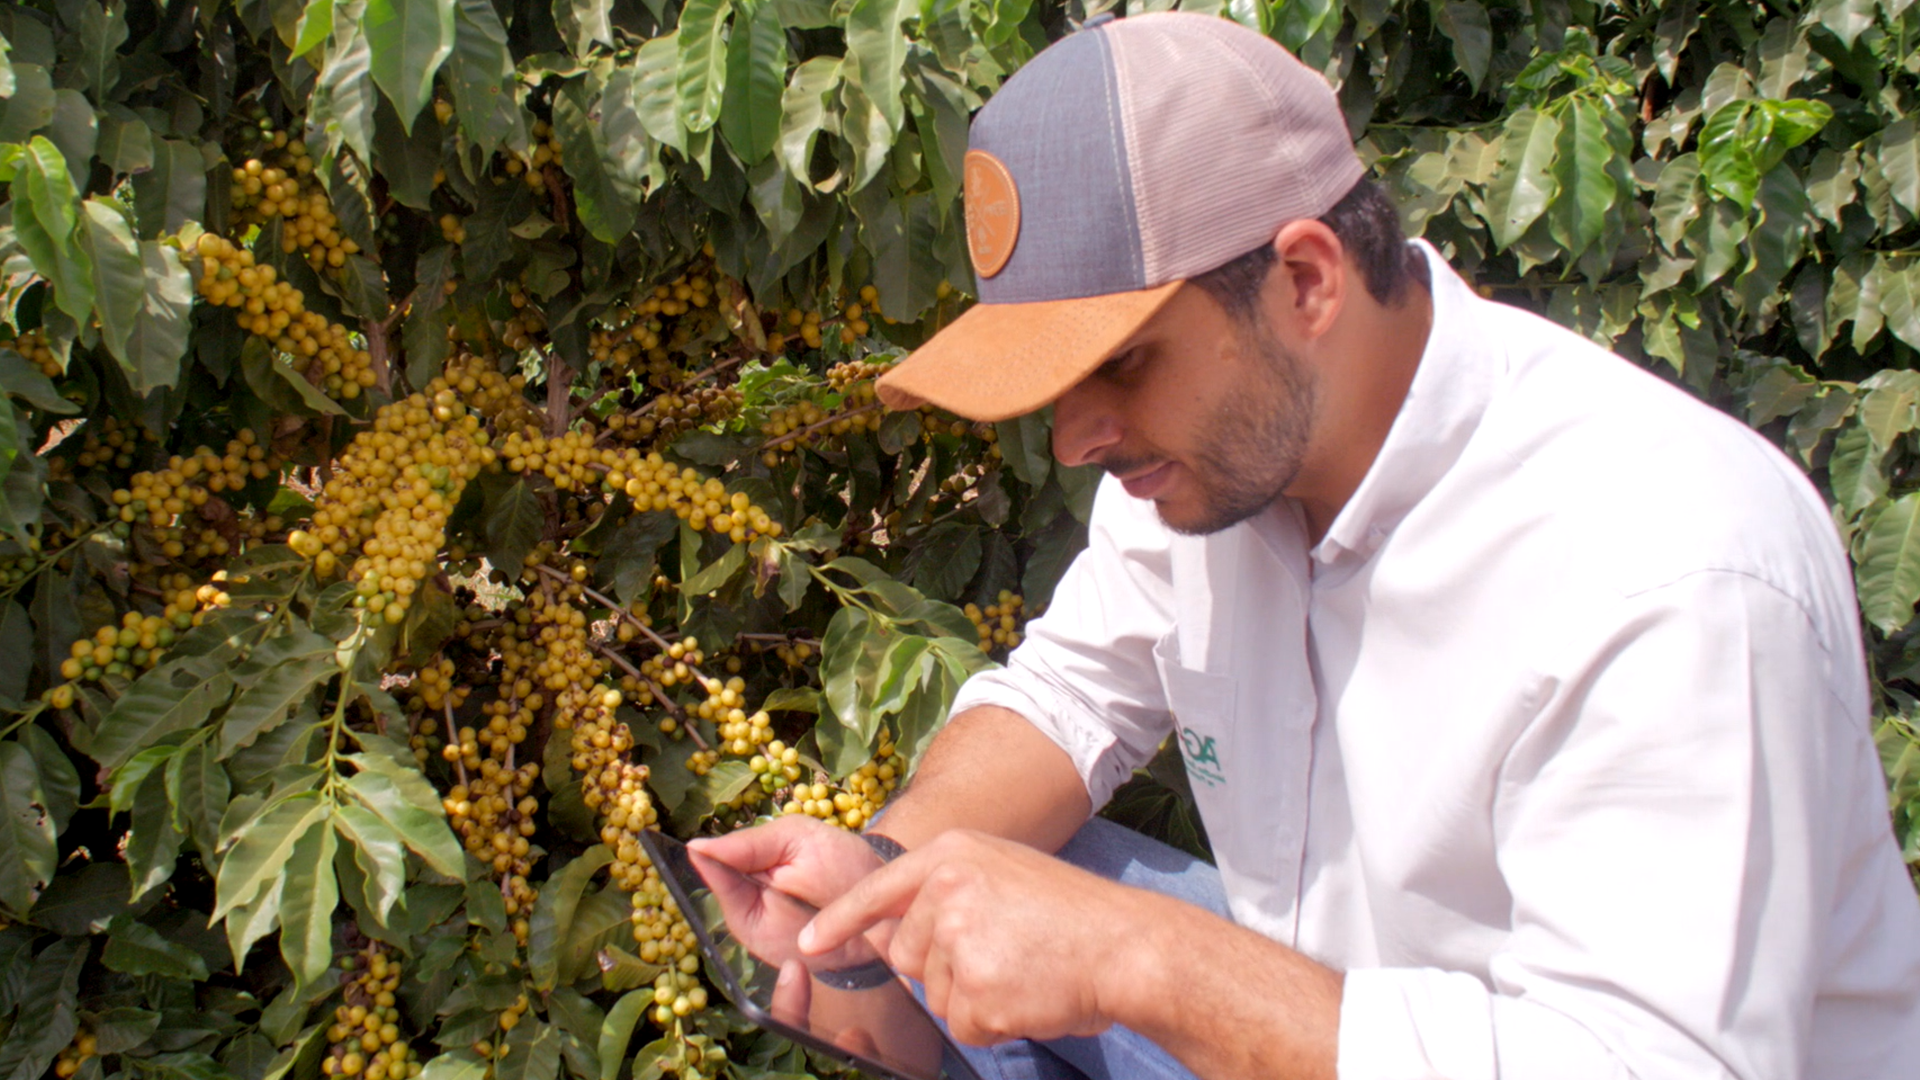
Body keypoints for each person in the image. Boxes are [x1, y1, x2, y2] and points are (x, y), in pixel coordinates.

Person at [694, 11, 1920, 1079]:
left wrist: (1144, 960)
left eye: (1118, 361)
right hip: (1343, 1024)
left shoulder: (1668, 569)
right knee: (985, 875)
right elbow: (1064, 699)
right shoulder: (1205, 476)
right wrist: (884, 877)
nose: (1074, 438)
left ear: (1307, 280)